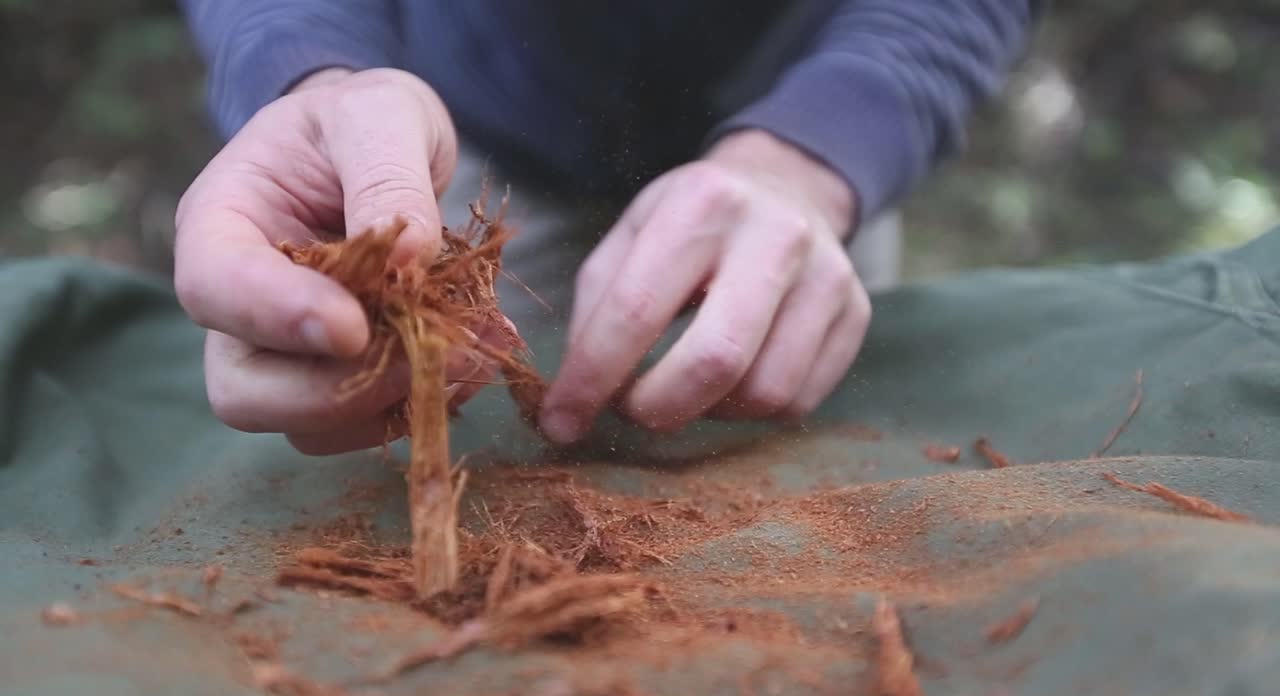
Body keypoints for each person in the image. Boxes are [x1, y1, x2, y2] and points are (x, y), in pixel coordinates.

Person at [174, 1, 1042, 455]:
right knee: (435, 410)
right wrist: (312, 77)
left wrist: (817, 152)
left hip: (805, 152)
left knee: (786, 433)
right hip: (461, 141)